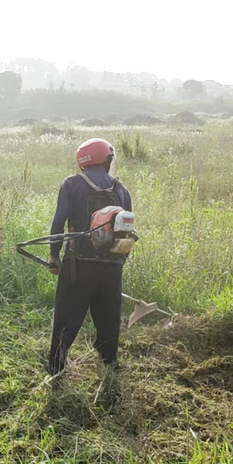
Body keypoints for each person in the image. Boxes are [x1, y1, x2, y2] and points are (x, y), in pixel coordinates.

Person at [47, 138, 133, 377]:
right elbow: (128, 231)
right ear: (105, 160)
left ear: (84, 161)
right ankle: (109, 369)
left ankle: (56, 370)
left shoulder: (72, 184)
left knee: (66, 318)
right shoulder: (122, 190)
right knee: (108, 321)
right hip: (113, 267)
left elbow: (58, 223)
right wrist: (118, 263)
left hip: (78, 266)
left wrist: (54, 256)